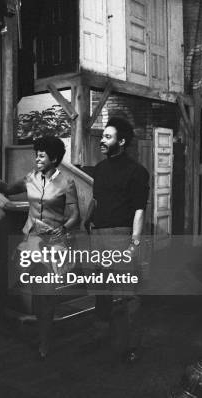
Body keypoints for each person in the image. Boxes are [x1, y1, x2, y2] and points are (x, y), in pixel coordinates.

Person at [0, 135, 80, 359]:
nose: (37, 158)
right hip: (31, 243)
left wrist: (63, 228)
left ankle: (45, 342)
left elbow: (75, 215)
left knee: (46, 294)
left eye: (42, 155)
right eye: (36, 154)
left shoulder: (67, 182)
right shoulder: (30, 179)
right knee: (35, 294)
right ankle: (40, 332)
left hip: (54, 245)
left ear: (53, 158)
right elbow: (5, 189)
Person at [83, 116, 149, 363]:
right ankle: (101, 337)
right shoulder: (99, 169)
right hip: (98, 235)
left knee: (127, 293)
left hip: (121, 236)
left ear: (121, 141)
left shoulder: (137, 172)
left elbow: (139, 210)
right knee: (102, 290)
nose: (102, 140)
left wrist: (134, 242)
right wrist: (88, 219)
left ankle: (130, 346)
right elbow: (98, 200)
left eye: (107, 137)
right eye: (103, 136)